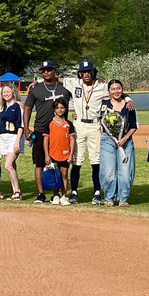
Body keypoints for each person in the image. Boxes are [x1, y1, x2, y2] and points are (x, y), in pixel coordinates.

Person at [62, 60, 108, 205]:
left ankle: (97, 192)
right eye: (84, 72)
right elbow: (56, 78)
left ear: (93, 72)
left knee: (96, 160)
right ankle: (74, 192)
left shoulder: (102, 85)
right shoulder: (74, 82)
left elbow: (116, 92)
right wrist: (34, 83)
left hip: (95, 125)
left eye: (89, 71)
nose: (86, 74)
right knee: (77, 160)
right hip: (79, 125)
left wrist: (127, 98)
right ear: (80, 73)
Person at [23, 61, 69, 204]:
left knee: (59, 163)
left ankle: (58, 194)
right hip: (41, 129)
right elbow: (27, 109)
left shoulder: (66, 88)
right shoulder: (36, 89)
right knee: (39, 164)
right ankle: (41, 193)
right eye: (43, 71)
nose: (46, 73)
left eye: (49, 70)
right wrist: (26, 129)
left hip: (60, 131)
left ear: (55, 71)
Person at [99, 80, 139, 206]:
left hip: (125, 141)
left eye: (118, 88)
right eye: (113, 89)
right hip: (108, 141)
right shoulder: (104, 104)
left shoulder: (129, 106)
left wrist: (125, 138)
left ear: (122, 89)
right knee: (108, 171)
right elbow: (98, 118)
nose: (116, 91)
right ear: (109, 91)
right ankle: (109, 198)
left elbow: (134, 126)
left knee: (126, 172)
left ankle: (123, 199)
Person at [44, 98, 76, 205]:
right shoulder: (50, 123)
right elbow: (46, 140)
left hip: (65, 153)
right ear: (54, 110)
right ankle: (55, 195)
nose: (60, 110)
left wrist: (71, 154)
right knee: (54, 175)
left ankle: (64, 195)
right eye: (57, 108)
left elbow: (72, 139)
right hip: (53, 153)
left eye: (62, 107)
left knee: (64, 174)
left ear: (65, 109)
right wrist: (46, 155)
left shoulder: (68, 124)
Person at [0, 84, 24, 200]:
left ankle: (17, 191)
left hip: (13, 137)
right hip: (3, 138)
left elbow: (20, 126)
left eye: (8, 91)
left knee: (8, 165)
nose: (6, 94)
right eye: (4, 92)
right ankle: (16, 192)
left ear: (13, 92)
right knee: (12, 166)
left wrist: (17, 142)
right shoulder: (3, 107)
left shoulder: (17, 106)